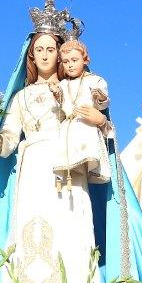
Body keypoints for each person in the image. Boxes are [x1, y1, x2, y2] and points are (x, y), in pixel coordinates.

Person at [0, 31, 107, 283]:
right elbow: (9, 140)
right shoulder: (20, 98)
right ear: (31, 56)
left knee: (71, 229)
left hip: (68, 166)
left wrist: (101, 120)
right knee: (34, 229)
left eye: (51, 49)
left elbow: (101, 128)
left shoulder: (76, 86)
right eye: (40, 50)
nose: (46, 54)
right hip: (35, 168)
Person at [56, 38, 112, 183]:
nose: (70, 65)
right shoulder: (62, 85)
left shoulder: (95, 80)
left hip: (86, 125)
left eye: (74, 60)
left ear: (85, 60)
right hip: (67, 129)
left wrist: (100, 97)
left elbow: (102, 106)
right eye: (66, 62)